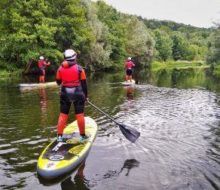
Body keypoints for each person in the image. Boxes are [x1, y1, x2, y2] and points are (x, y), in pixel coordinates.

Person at [56, 49, 88, 142]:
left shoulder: (60, 68)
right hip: (78, 93)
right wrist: (86, 96)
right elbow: (84, 84)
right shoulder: (79, 68)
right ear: (74, 57)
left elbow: (58, 82)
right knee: (80, 115)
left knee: (63, 115)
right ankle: (82, 136)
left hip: (65, 93)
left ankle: (59, 137)